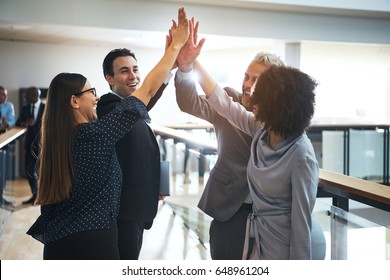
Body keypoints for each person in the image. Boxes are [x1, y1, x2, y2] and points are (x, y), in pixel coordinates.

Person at [26, 7, 189, 260]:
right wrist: (175, 47)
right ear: (74, 101)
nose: (96, 97)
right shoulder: (95, 135)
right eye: (91, 92)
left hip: (58, 245)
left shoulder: (58, 142)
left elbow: (143, 100)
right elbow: (144, 94)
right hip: (95, 241)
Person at [176, 43, 325, 258]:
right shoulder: (261, 128)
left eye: (259, 86)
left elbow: (301, 226)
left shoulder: (301, 155)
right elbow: (224, 103)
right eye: (247, 78)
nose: (250, 90)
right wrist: (190, 61)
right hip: (237, 219)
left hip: (278, 244)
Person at [174, 20, 285, 260]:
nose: (248, 85)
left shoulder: (281, 120)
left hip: (267, 211)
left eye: (257, 80)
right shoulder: (228, 100)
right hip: (228, 206)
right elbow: (188, 103)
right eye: (247, 76)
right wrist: (185, 69)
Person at [96, 48, 171, 259]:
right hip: (123, 211)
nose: (133, 76)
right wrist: (171, 54)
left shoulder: (127, 108)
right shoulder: (109, 108)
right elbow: (146, 95)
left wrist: (171, 67)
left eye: (135, 69)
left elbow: (148, 99)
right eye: (124, 71)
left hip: (135, 207)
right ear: (109, 78)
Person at [16, 87, 45, 205]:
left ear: (36, 95)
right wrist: (25, 123)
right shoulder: (25, 108)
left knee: (45, 172)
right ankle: (35, 195)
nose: (25, 97)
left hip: (45, 145)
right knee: (29, 171)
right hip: (29, 145)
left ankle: (45, 197)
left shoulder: (46, 107)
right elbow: (18, 124)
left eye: (28, 95)